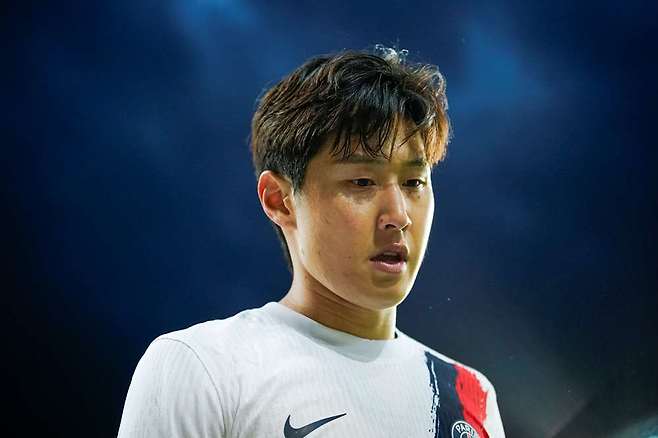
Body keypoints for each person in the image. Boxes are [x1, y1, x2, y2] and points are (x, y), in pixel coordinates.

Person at [117, 46, 506, 438]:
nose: (399, 215)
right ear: (279, 200)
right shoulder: (204, 369)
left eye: (413, 182)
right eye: (362, 182)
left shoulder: (470, 396)